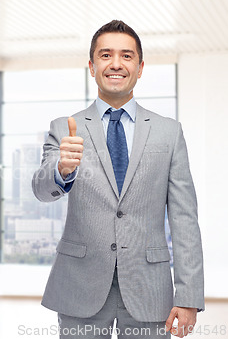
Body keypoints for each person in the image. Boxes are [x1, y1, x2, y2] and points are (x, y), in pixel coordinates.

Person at [31, 20, 204, 339]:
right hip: (79, 284)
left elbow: (183, 217)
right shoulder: (64, 127)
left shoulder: (169, 132)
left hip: (149, 288)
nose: (115, 64)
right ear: (92, 66)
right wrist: (62, 170)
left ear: (140, 67)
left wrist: (189, 295)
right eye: (105, 55)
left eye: (126, 56)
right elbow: (42, 189)